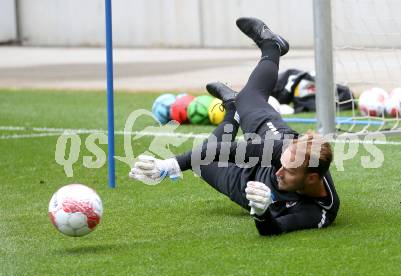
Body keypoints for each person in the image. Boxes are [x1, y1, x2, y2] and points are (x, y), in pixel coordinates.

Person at [129, 17, 340, 236]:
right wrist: (168, 166)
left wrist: (262, 212)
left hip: (247, 187)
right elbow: (226, 151)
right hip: (272, 138)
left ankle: (231, 108)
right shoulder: (282, 149)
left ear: (312, 179)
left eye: (288, 170)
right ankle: (272, 46)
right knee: (248, 97)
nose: (279, 170)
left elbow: (274, 229)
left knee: (202, 161)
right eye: (282, 164)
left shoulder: (319, 212)